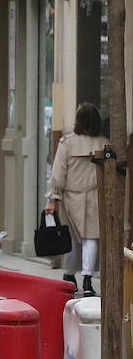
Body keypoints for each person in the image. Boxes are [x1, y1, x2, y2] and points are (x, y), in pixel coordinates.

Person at [45, 102, 107, 297]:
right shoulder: (105, 144)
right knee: (91, 238)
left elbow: (58, 174)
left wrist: (53, 198)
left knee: (71, 239)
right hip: (96, 196)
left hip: (71, 198)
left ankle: (69, 275)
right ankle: (87, 278)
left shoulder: (67, 143)